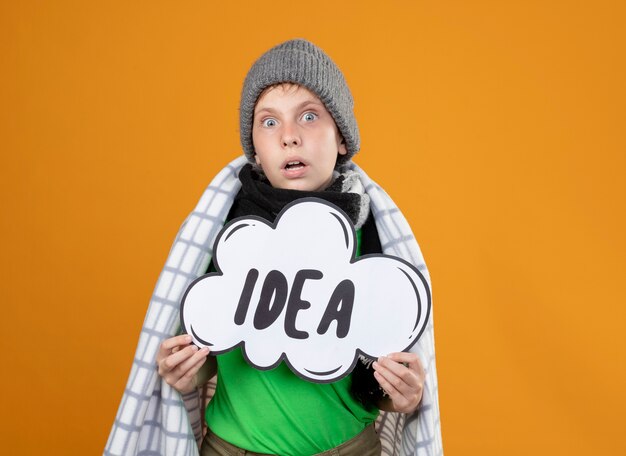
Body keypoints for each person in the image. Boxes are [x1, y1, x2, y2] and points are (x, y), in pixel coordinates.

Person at [105, 39, 442, 456]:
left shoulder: (369, 239)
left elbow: (376, 380)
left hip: (348, 448)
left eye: (309, 116)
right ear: (256, 153)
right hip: (232, 448)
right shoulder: (230, 235)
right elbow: (214, 349)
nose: (289, 137)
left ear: (341, 138)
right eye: (269, 122)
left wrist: (402, 396)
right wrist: (185, 372)